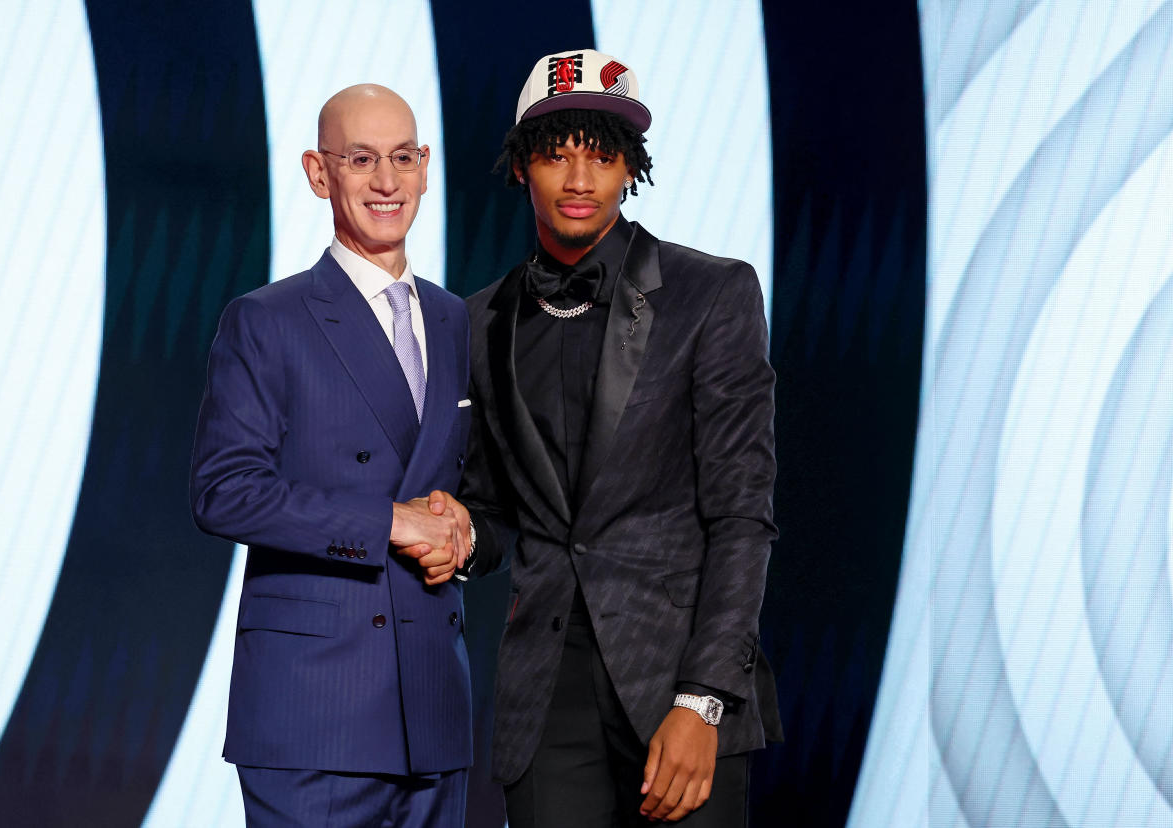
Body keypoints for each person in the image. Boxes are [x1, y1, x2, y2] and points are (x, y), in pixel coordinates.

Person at [443, 49, 782, 826]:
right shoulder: (477, 320)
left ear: (631, 166)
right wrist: (458, 531)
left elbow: (741, 514)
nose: (579, 177)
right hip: (544, 701)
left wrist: (705, 702)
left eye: (601, 153)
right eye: (556, 154)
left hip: (680, 687)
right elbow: (496, 511)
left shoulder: (712, 293)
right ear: (521, 165)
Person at [190, 84, 473, 827]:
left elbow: (469, 485)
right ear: (320, 174)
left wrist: (466, 530)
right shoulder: (266, 319)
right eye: (361, 159)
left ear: (426, 166)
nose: (387, 182)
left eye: (403, 158)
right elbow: (225, 490)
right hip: (313, 708)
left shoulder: (453, 320)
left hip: (435, 706)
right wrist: (390, 522)